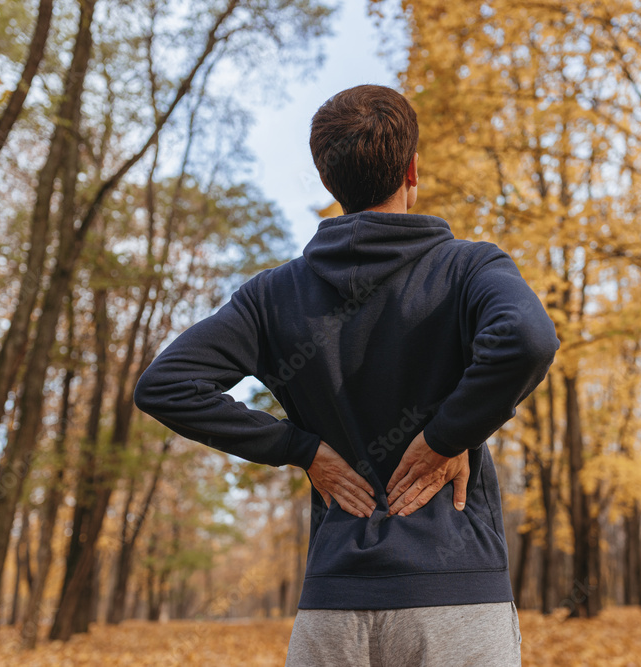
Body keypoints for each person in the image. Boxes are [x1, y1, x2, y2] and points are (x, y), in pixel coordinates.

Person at [133, 84, 559, 666]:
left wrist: (302, 448)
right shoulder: (470, 267)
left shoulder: (273, 296)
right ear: (413, 169)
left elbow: (165, 384)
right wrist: (446, 436)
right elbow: (528, 340)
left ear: (328, 182)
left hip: (331, 609)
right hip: (455, 599)